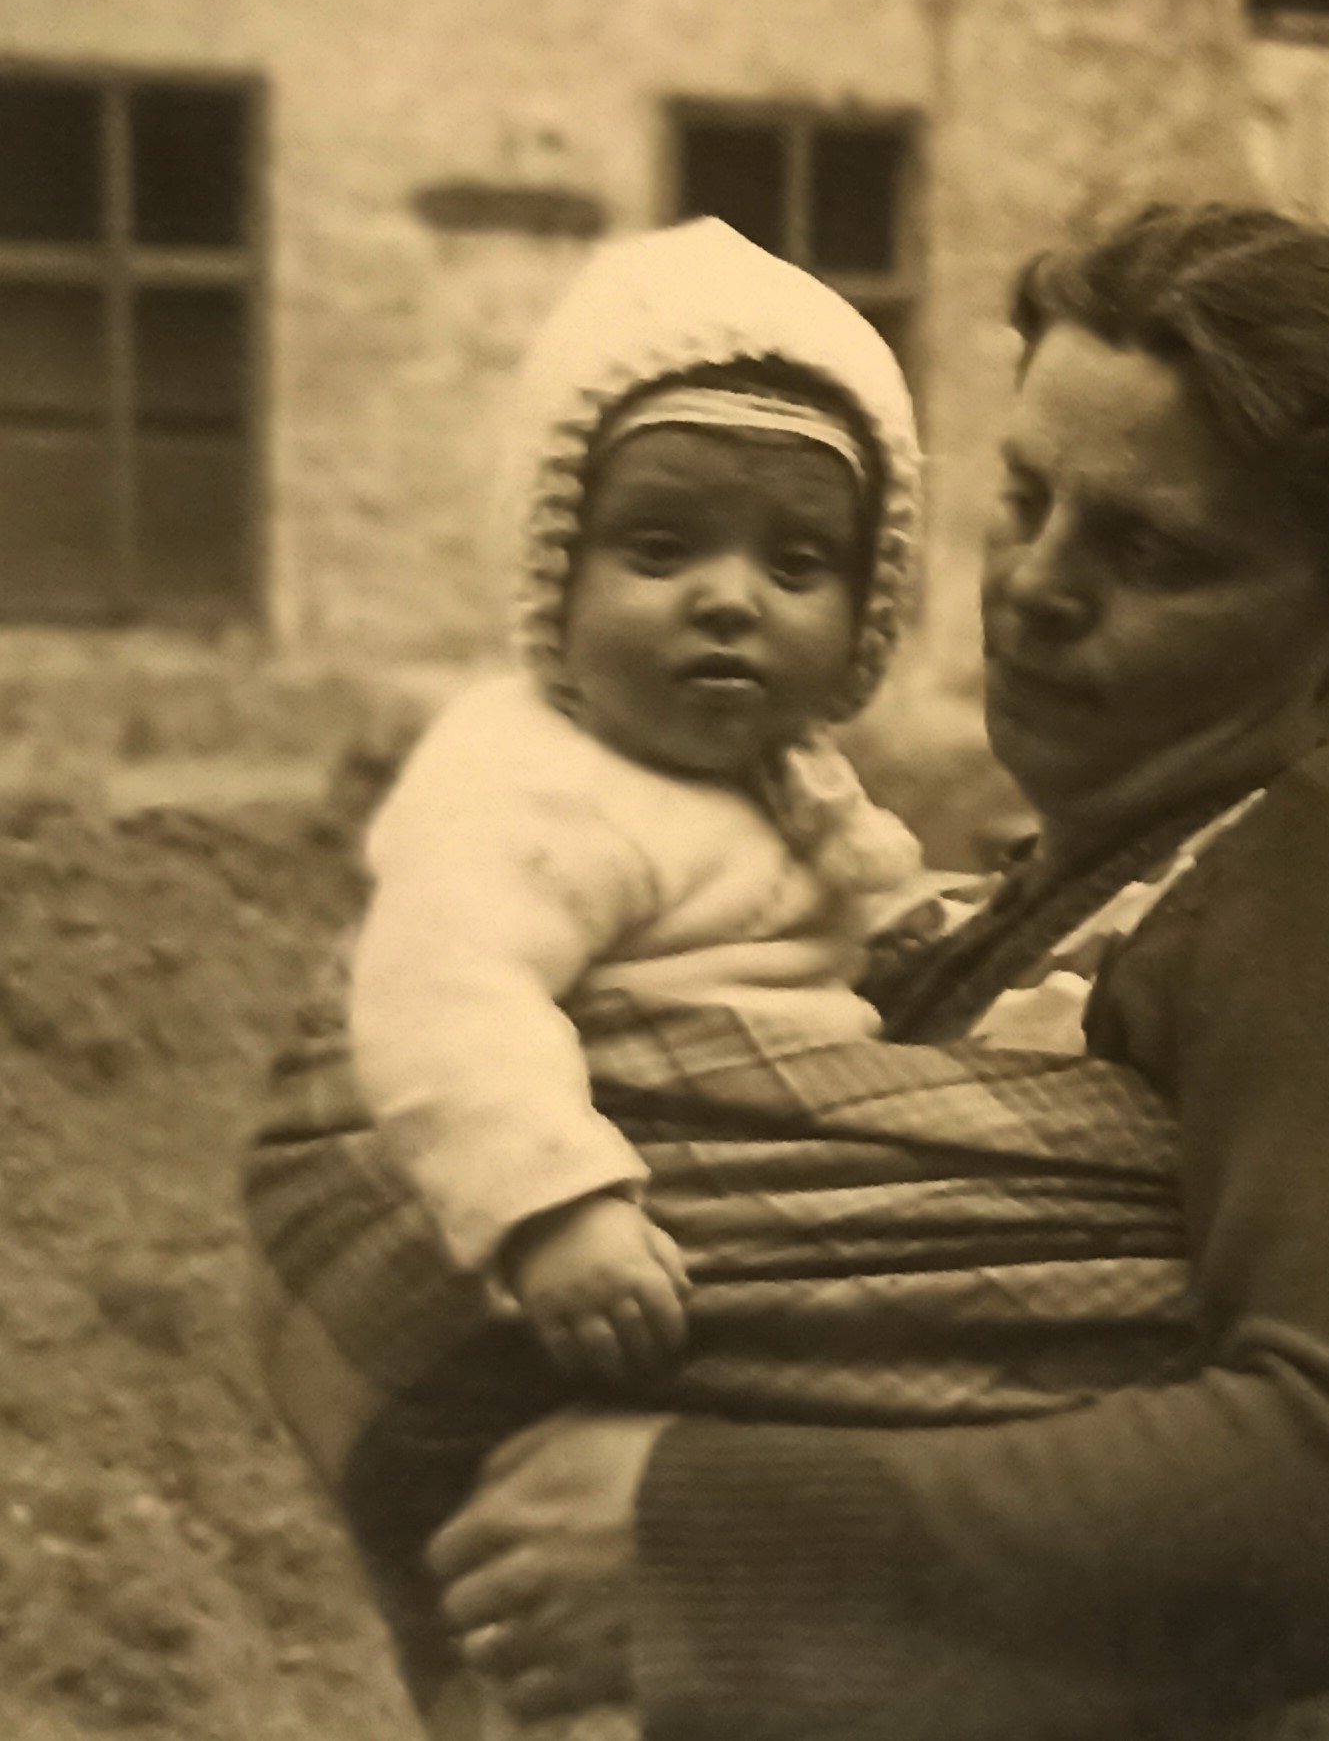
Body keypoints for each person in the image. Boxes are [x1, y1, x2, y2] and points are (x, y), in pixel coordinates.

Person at [384, 204, 1329, 1739]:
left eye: (1149, 548)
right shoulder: (965, 918)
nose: (1037, 582)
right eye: (1025, 497)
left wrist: (699, 1526)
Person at [343, 217, 936, 1386]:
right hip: (649, 1217)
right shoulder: (526, 778)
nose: (730, 600)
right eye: (660, 550)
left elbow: (849, 906)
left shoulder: (784, 774)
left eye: (797, 565)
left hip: (821, 1165)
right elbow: (439, 991)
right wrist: (552, 1205)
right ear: (555, 572)